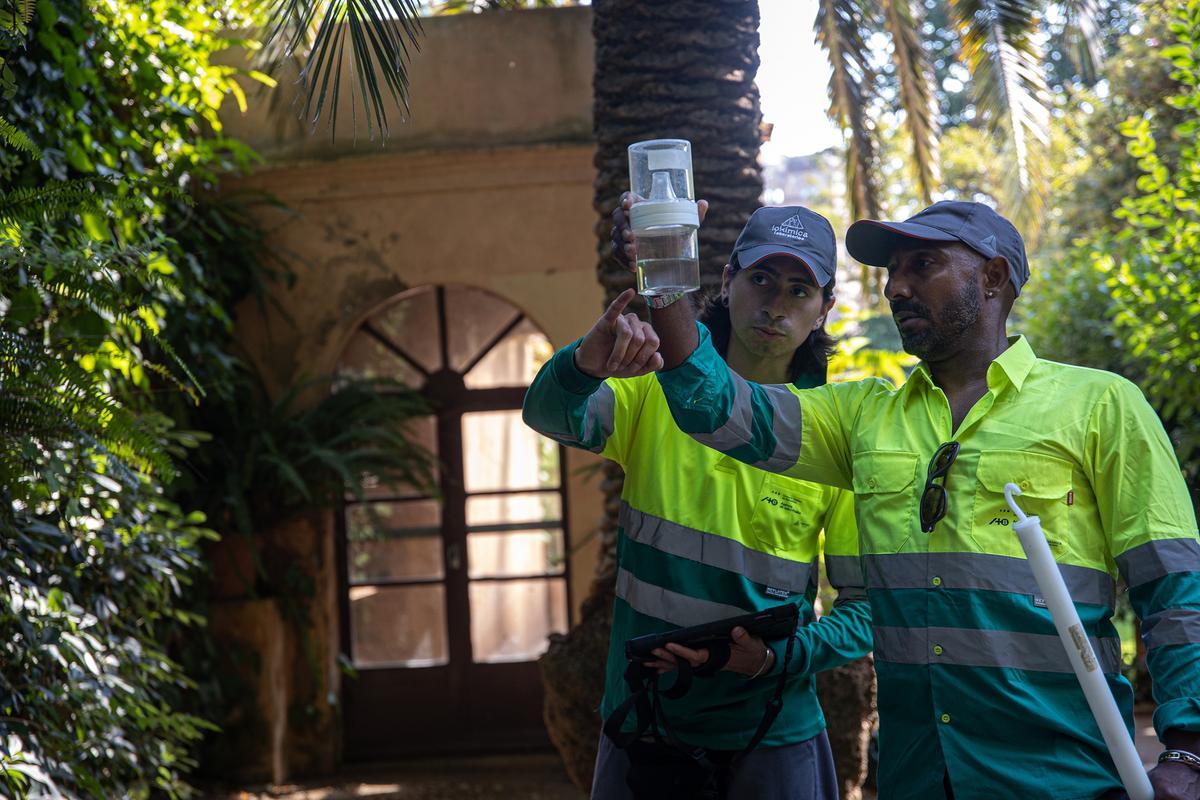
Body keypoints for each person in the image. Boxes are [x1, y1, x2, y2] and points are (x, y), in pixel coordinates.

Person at [639, 200, 1200, 800]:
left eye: (923, 265)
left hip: (1067, 777)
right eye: (891, 272)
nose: (896, 287)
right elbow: (712, 406)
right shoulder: (861, 417)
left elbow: (1173, 588)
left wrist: (1189, 751)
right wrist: (661, 266)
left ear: (992, 278)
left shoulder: (1100, 405)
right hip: (917, 776)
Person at [522, 203, 874, 799]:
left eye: (799, 289)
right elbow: (549, 414)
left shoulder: (834, 432)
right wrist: (584, 364)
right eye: (760, 278)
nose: (775, 304)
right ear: (726, 281)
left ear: (825, 310)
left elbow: (864, 610)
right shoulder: (654, 383)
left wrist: (773, 659)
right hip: (646, 722)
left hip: (775, 730)